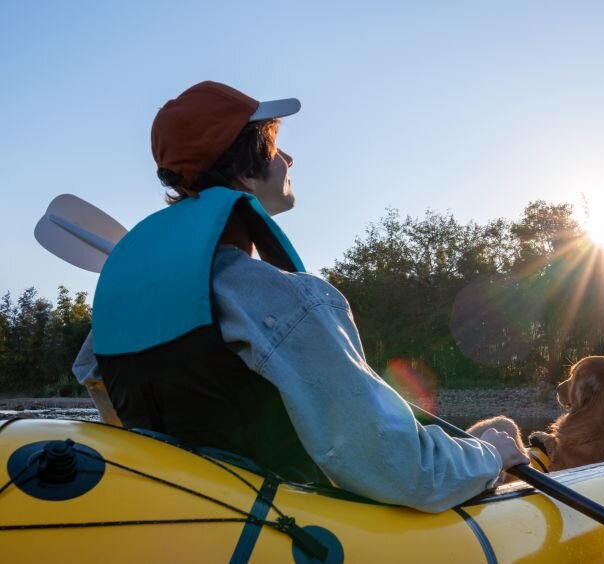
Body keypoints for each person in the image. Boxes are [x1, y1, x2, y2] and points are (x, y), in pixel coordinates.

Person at [72, 81, 528, 513]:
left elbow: (106, 392)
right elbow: (407, 472)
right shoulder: (288, 300)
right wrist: (492, 455)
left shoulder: (113, 318)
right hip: (290, 527)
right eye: (273, 148)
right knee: (498, 437)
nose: (288, 157)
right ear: (246, 173)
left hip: (187, 522)